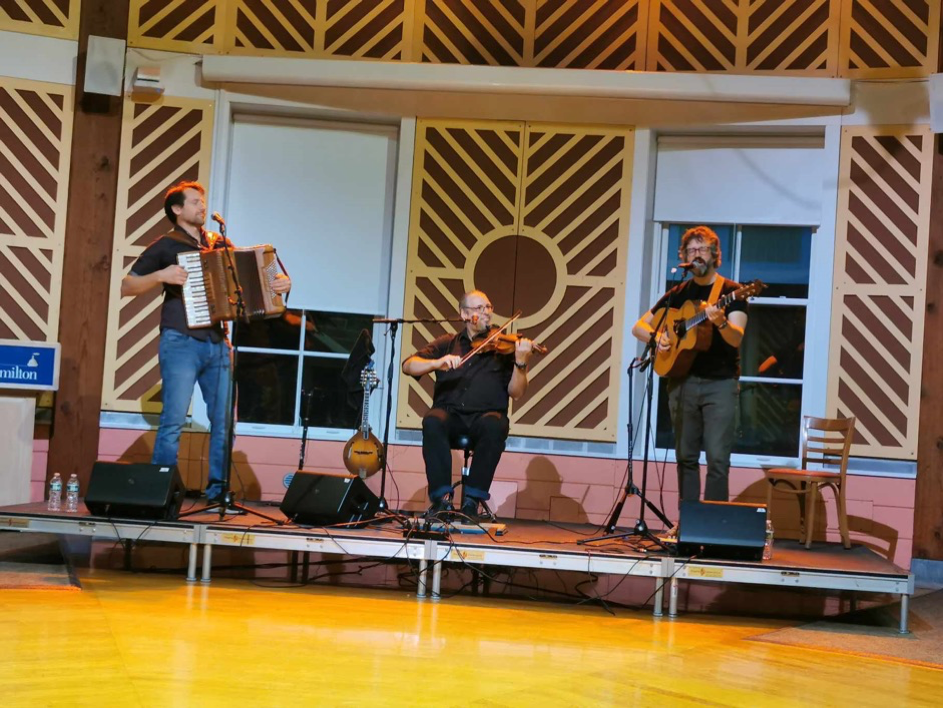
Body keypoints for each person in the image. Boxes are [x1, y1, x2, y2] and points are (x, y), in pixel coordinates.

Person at [120, 181, 291, 502]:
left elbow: (247, 279)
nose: (202, 207)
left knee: (225, 420)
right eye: (195, 202)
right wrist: (161, 276)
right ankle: (162, 494)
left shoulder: (219, 242)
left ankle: (218, 491)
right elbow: (127, 285)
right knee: (172, 420)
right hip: (180, 340)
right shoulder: (165, 246)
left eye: (203, 202)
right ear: (177, 209)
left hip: (218, 343)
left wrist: (277, 285)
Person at [631, 226, 748, 505]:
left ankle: (714, 524)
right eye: (691, 250)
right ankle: (689, 523)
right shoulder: (678, 292)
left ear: (715, 255)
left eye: (703, 249)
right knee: (685, 456)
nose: (697, 255)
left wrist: (719, 320)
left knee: (718, 458)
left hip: (720, 383)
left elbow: (736, 338)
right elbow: (638, 326)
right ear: (683, 256)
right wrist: (658, 337)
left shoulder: (733, 292)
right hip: (682, 382)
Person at [402, 290, 534, 519]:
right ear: (464, 314)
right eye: (479, 308)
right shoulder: (448, 342)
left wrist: (520, 363)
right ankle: (442, 499)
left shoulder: (503, 347)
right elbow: (408, 365)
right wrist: (436, 363)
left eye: (489, 307)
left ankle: (472, 500)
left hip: (486, 417)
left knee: (495, 425)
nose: (487, 312)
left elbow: (517, 392)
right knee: (433, 420)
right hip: (450, 415)